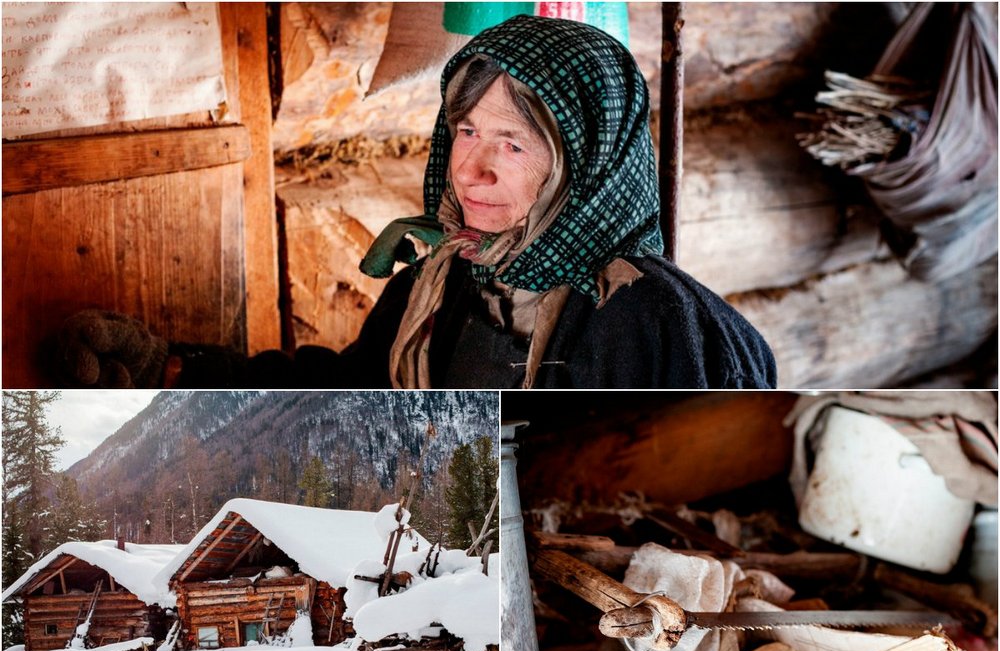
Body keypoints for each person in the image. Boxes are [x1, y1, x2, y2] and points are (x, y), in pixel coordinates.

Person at [54, 15, 776, 389]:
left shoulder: (663, 327)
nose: (473, 171)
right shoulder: (439, 285)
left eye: (516, 145)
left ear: (586, 165)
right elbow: (350, 393)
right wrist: (176, 373)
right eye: (466, 131)